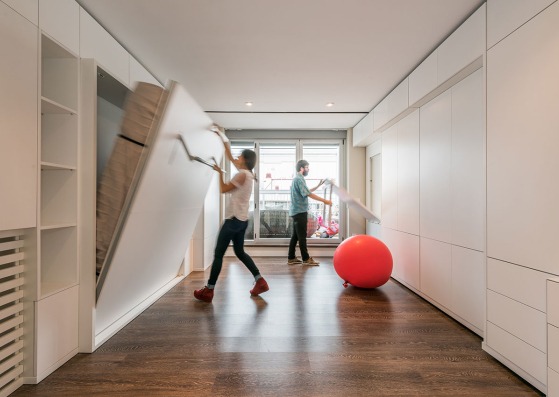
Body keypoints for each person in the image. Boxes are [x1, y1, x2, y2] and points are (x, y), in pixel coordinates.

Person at [194, 131, 268, 303]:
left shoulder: (241, 175)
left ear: (245, 160)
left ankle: (209, 291)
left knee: (218, 254)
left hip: (233, 221)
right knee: (240, 252)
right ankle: (260, 281)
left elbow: (223, 189)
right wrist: (222, 137)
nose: (237, 157)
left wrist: (219, 172)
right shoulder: (247, 174)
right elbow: (230, 156)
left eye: (239, 156)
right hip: (242, 221)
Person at [287, 159, 332, 266]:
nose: (308, 169)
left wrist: (317, 186)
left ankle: (291, 257)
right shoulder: (299, 179)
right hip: (300, 212)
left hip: (295, 212)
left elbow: (305, 191)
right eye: (307, 167)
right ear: (301, 168)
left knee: (295, 236)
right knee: (302, 236)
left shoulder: (297, 179)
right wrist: (325, 201)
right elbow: (308, 194)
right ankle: (306, 259)